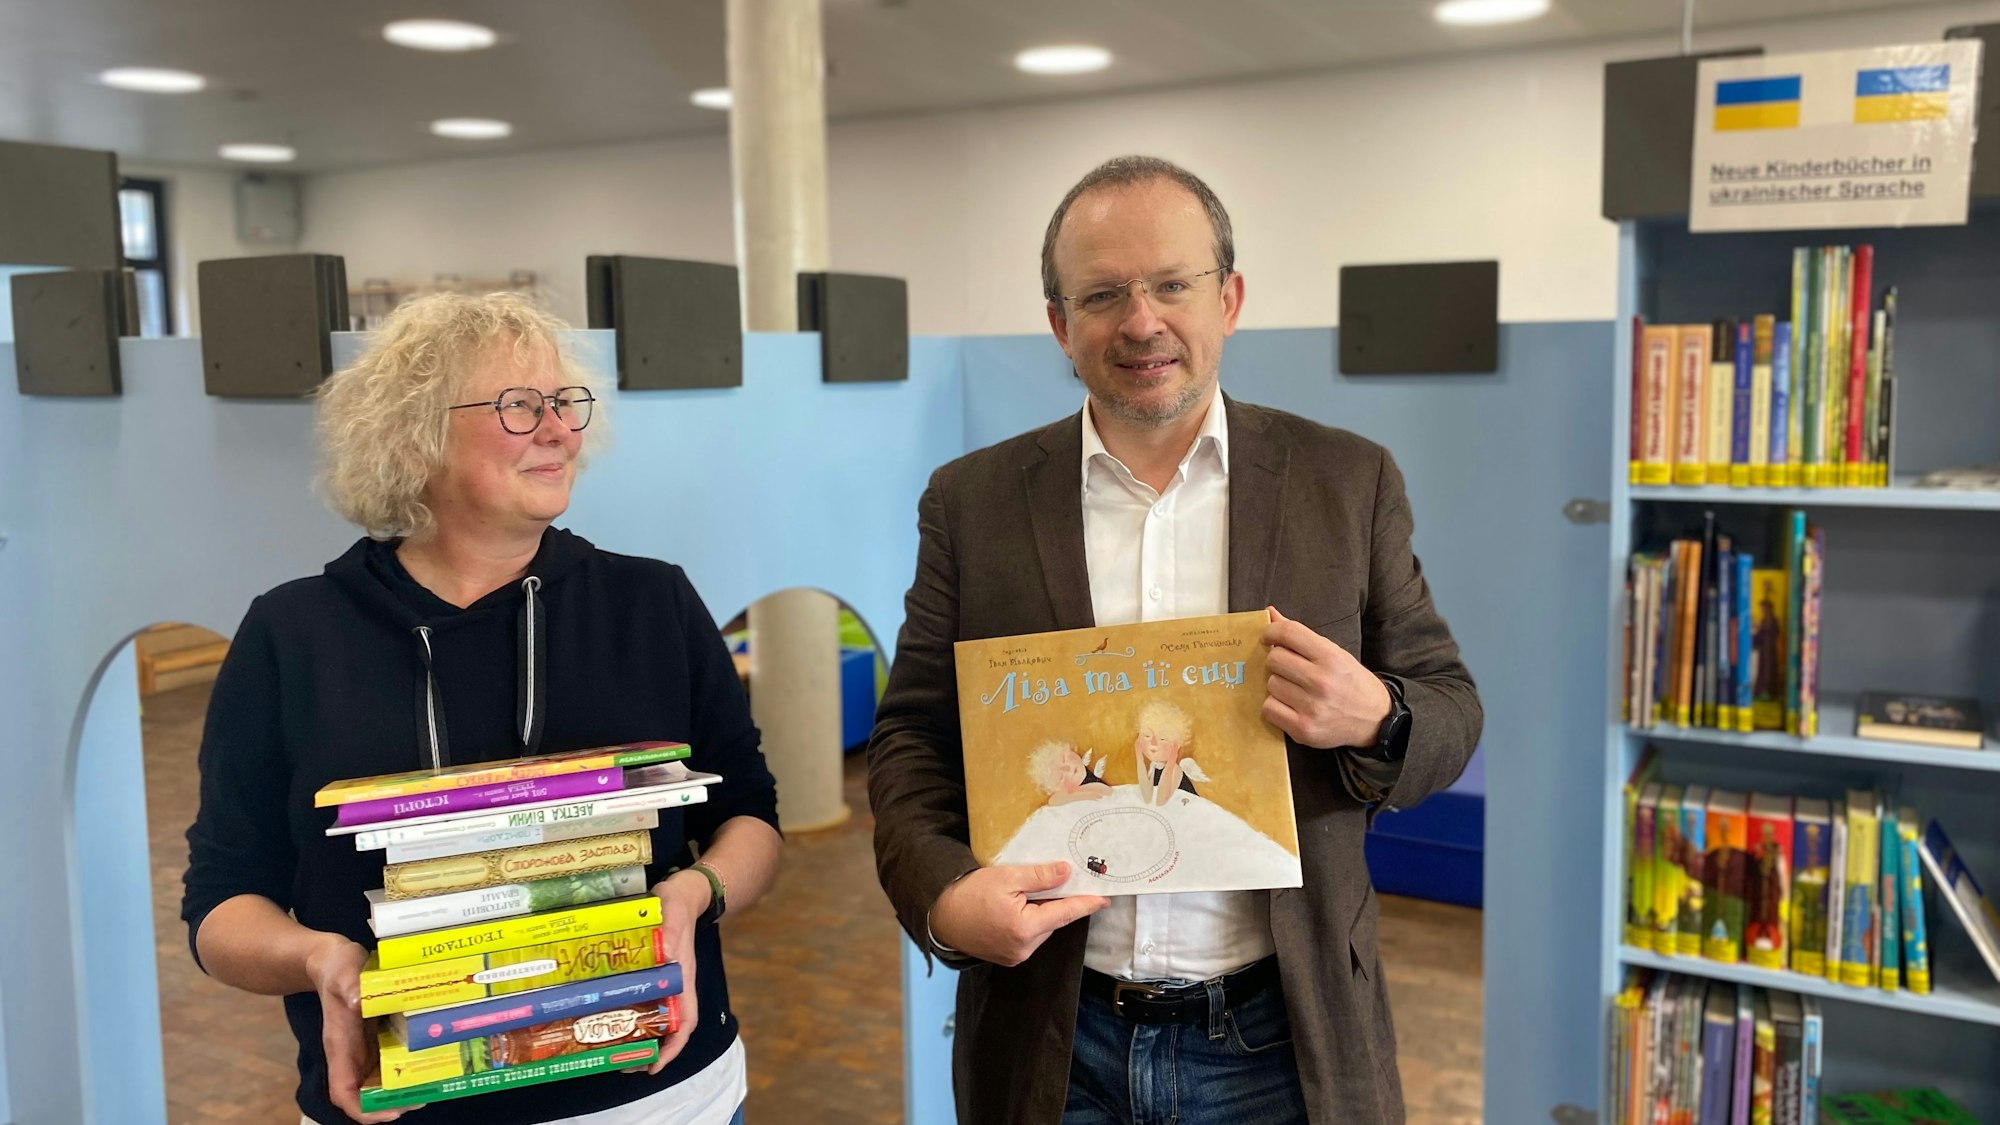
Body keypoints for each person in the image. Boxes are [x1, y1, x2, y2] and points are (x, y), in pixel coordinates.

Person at [868, 156, 1482, 1125]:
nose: (1141, 321)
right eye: (1102, 294)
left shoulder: (1345, 482)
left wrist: (1378, 717)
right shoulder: (972, 503)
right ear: (1058, 324)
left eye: (1171, 284)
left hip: (1284, 1039)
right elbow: (910, 737)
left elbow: (1450, 707)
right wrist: (943, 901)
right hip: (1051, 1034)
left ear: (1228, 300)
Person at [179, 293, 783, 1125]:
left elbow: (750, 815)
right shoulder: (293, 633)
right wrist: (318, 959)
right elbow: (221, 902)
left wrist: (695, 892)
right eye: (519, 405)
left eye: (565, 402)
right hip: (404, 1101)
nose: (559, 430)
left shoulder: (653, 603)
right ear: (413, 434)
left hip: (661, 1093)